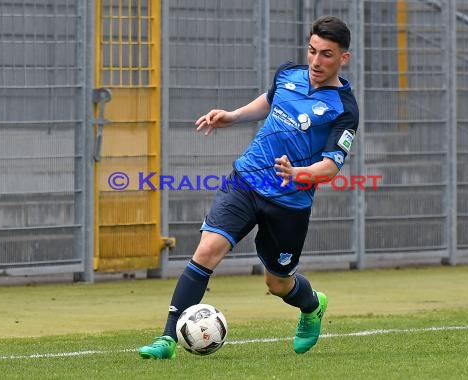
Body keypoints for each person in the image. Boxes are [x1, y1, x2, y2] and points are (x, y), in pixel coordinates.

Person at [139, 15, 359, 359]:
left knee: (278, 283)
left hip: (289, 201)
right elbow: (270, 101)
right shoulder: (288, 74)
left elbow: (331, 166)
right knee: (208, 249)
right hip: (246, 179)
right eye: (313, 51)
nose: (316, 61)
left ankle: (312, 305)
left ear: (343, 58)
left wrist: (299, 173)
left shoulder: (343, 109)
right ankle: (167, 340)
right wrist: (233, 115)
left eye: (327, 54)